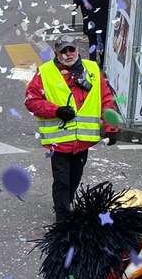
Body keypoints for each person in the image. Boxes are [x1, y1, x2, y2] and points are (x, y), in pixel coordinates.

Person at [24, 33, 120, 222]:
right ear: (57, 54)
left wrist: (112, 127)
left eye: (71, 49)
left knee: (74, 179)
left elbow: (106, 99)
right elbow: (31, 101)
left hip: (82, 142)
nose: (68, 54)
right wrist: (56, 110)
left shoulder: (92, 69)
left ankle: (65, 205)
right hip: (59, 141)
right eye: (63, 51)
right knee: (62, 181)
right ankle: (63, 219)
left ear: (77, 49)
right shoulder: (45, 72)